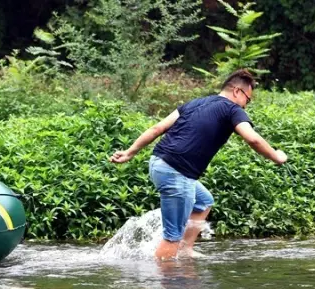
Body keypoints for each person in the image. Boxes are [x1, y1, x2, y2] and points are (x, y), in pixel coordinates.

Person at [110, 69, 288, 260]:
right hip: (176, 172)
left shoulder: (196, 103)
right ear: (237, 91)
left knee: (203, 202)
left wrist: (130, 152)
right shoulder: (232, 109)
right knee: (172, 237)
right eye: (248, 100)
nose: (246, 106)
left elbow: (157, 128)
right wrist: (276, 156)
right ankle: (165, 285)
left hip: (158, 163)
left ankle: (185, 250)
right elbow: (253, 139)